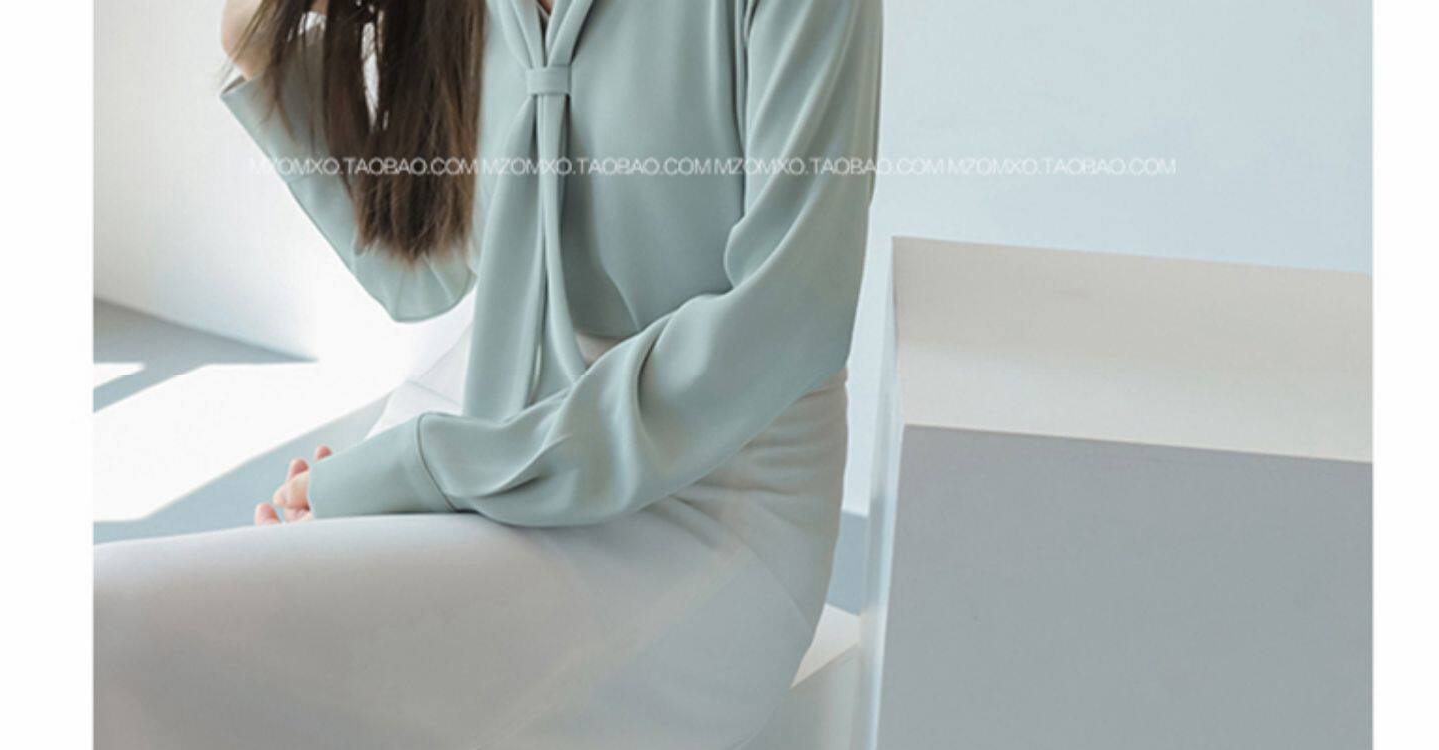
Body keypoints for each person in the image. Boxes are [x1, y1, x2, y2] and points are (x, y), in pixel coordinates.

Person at [94, 0, 882, 746]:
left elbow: (792, 316)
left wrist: (430, 471)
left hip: (710, 503)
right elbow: (419, 274)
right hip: (495, 446)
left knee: (105, 627)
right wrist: (256, 34)